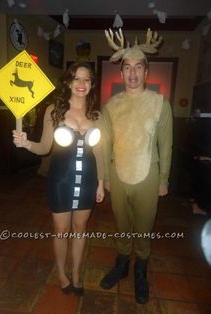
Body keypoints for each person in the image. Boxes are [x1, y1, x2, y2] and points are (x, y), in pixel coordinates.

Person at [13, 62, 104, 296]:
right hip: (61, 180)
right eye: (76, 78)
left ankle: (75, 273)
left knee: (80, 228)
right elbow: (44, 148)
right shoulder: (55, 110)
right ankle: (62, 274)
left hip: (88, 180)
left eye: (87, 79)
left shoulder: (96, 113)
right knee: (61, 230)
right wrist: (25, 143)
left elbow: (100, 152)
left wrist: (101, 182)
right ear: (68, 82)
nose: (81, 84)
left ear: (92, 84)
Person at [100, 28, 173, 304]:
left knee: (143, 227)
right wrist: (106, 176)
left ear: (146, 72)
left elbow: (166, 145)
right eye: (127, 68)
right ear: (121, 74)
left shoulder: (159, 104)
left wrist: (163, 179)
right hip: (117, 175)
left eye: (138, 67)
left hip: (148, 176)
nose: (132, 73)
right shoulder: (111, 105)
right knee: (121, 225)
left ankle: (140, 271)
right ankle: (122, 265)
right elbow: (105, 144)